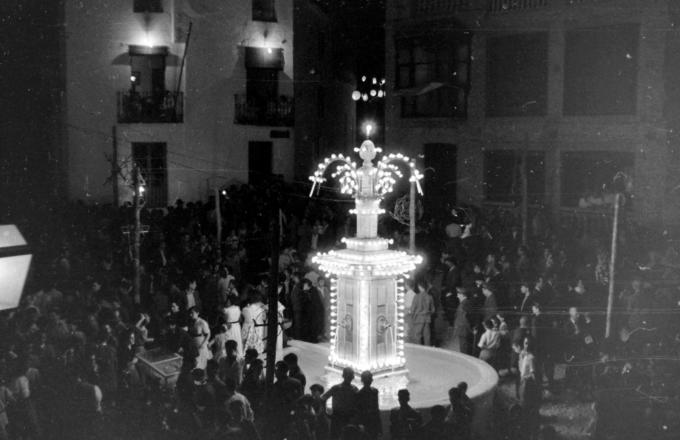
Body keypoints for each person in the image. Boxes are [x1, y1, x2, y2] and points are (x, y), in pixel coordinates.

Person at [322, 367, 359, 439]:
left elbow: (323, 399)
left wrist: (326, 413)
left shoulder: (336, 388)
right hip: (347, 418)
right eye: (349, 375)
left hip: (338, 418)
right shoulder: (355, 389)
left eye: (350, 375)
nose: (349, 377)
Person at [516, 336, 541, 440]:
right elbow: (521, 369)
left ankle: (529, 431)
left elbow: (533, 373)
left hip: (528, 383)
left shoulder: (531, 357)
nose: (526, 345)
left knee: (526, 406)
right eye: (525, 343)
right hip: (523, 381)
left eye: (528, 343)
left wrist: (537, 387)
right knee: (524, 405)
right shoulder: (523, 355)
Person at [354, 371, 382, 440]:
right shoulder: (374, 391)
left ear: (362, 380)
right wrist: (379, 426)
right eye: (369, 378)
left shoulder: (359, 394)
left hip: (367, 422)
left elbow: (358, 411)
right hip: (370, 423)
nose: (370, 380)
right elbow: (376, 409)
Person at [410, 279, 436, 346]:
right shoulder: (430, 297)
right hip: (427, 319)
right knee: (427, 336)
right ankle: (427, 350)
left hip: (418, 318)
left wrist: (412, 317)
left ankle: (419, 350)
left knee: (417, 335)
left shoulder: (416, 296)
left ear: (420, 287)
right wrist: (427, 312)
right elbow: (433, 310)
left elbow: (412, 309)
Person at [452, 287, 473, 355]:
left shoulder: (464, 304)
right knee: (463, 346)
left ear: (463, 295)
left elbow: (465, 319)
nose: (457, 295)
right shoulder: (464, 302)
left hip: (463, 329)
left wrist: (469, 329)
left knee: (464, 347)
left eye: (459, 293)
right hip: (462, 328)